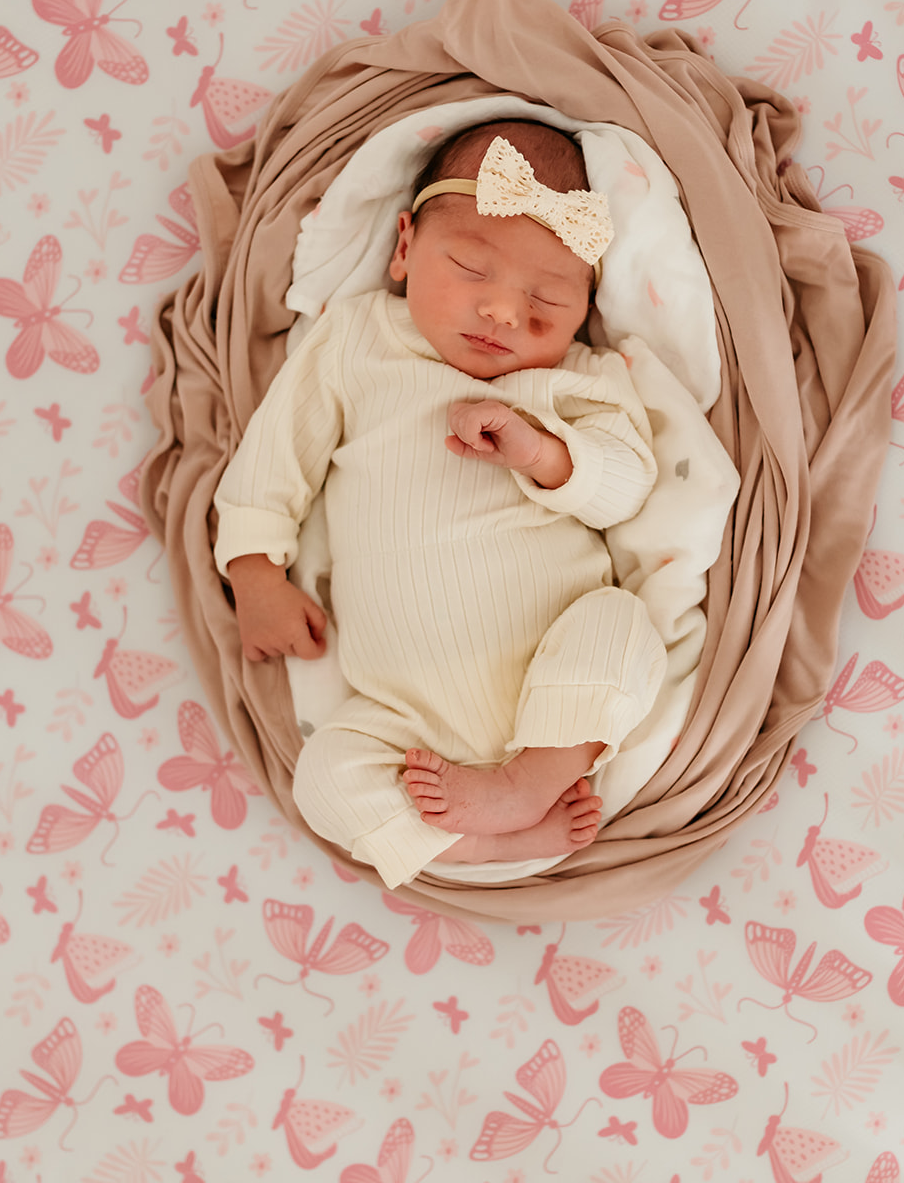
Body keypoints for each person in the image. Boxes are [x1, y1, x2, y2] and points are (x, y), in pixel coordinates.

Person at [213, 120, 667, 889]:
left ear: (584, 309)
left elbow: (627, 485)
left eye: (547, 303)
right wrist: (256, 573)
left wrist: (541, 450)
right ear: (402, 249)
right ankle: (484, 846)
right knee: (321, 776)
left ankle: (529, 781)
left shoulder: (579, 382)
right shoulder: (358, 342)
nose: (501, 314)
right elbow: (275, 449)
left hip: (547, 668)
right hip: (402, 715)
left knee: (624, 631)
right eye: (469, 269)